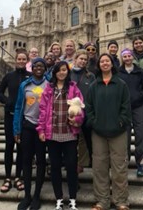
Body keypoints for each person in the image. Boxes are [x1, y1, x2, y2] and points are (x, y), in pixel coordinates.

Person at [86, 53, 131, 210]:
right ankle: (102, 201)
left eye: (107, 61)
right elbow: (89, 107)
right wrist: (93, 122)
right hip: (98, 132)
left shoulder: (121, 84)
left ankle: (121, 201)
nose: (105, 63)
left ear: (112, 64)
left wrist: (121, 122)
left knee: (119, 167)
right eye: (102, 61)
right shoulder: (93, 86)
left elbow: (126, 107)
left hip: (118, 132)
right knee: (99, 167)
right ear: (99, 65)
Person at [37, 61, 84, 210]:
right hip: (53, 135)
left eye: (64, 70)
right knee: (55, 167)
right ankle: (59, 198)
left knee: (71, 166)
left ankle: (72, 199)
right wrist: (41, 130)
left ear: (67, 72)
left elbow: (81, 108)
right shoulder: (48, 89)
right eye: (59, 70)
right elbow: (43, 111)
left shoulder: (73, 87)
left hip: (69, 134)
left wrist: (77, 120)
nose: (62, 72)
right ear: (55, 73)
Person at [13, 57, 49, 210]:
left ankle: (36, 196)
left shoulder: (50, 85)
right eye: (36, 66)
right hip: (27, 127)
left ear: (45, 69)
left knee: (41, 161)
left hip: (42, 129)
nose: (38, 68)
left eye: (41, 66)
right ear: (32, 68)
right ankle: (27, 195)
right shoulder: (24, 85)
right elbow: (18, 107)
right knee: (26, 161)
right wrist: (17, 129)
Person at [0, 48, 30, 193]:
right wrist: (7, 100)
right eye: (19, 59)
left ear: (27, 61)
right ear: (16, 60)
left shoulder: (30, 77)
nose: (21, 61)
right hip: (10, 115)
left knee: (21, 147)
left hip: (24, 117)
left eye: (23, 59)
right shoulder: (9, 76)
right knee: (9, 145)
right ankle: (7, 177)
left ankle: (18, 177)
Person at [118, 48, 143, 177]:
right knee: (124, 137)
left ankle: (141, 163)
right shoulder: (118, 73)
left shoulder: (140, 72)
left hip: (139, 106)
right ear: (122, 58)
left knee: (141, 134)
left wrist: (141, 96)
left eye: (129, 56)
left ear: (132, 57)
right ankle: (125, 162)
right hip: (124, 108)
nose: (127, 58)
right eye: (124, 56)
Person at [71, 50, 95, 172]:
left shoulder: (90, 76)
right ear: (75, 59)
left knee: (89, 141)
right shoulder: (67, 74)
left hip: (87, 115)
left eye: (85, 60)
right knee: (71, 144)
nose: (83, 61)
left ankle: (89, 164)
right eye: (81, 59)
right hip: (71, 115)